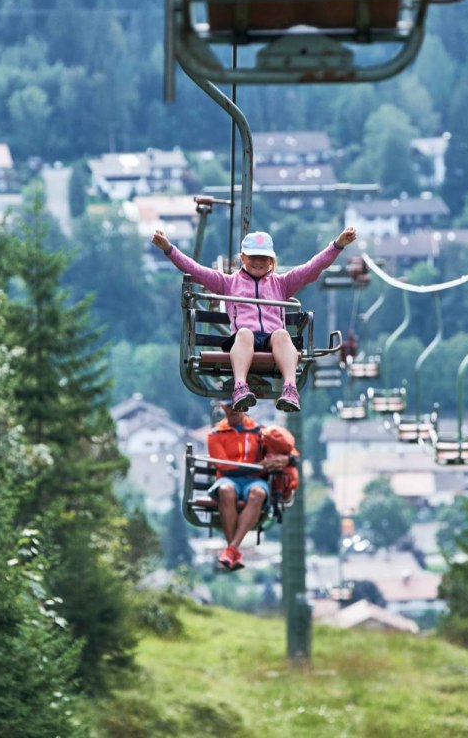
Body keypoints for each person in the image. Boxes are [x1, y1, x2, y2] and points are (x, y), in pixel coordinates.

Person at [151, 226, 357, 412]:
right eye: (253, 257)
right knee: (245, 333)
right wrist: (169, 249)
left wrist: (337, 246)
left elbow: (311, 269)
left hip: (271, 341)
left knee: (282, 334)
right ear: (242, 258)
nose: (258, 261)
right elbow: (196, 271)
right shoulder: (228, 283)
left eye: (263, 258)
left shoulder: (282, 284)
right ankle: (240, 387)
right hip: (244, 340)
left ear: (271, 261)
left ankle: (290, 388)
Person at [207, 401, 296, 571]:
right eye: (230, 410)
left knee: (258, 493)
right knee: (226, 491)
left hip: (254, 480)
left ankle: (231, 549)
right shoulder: (216, 434)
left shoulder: (260, 432)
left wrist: (283, 460)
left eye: (237, 410)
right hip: (229, 479)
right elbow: (225, 467)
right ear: (224, 409)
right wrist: (258, 466)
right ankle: (233, 549)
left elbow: (290, 454)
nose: (234, 413)